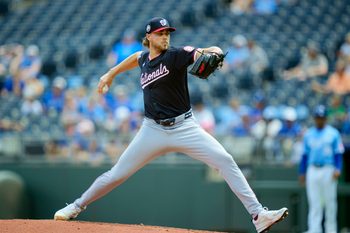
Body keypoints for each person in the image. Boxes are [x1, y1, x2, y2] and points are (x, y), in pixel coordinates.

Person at [54, 17, 288, 232]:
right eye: (160, 33)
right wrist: (110, 74)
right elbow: (135, 58)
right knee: (116, 174)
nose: (165, 36)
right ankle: (75, 206)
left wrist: (214, 52)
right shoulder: (144, 59)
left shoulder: (175, 55)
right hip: (152, 130)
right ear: (149, 38)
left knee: (225, 160)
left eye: (167, 32)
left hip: (185, 127)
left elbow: (203, 51)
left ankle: (258, 215)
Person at [299, 105, 344, 233]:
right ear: (314, 118)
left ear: (326, 118)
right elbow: (304, 155)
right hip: (312, 168)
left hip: (328, 169)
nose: (320, 120)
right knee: (314, 202)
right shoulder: (308, 134)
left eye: (322, 117)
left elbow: (338, 153)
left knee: (330, 202)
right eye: (318, 117)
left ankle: (331, 230)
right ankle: (314, 229)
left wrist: (338, 168)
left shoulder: (333, 133)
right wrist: (302, 172)